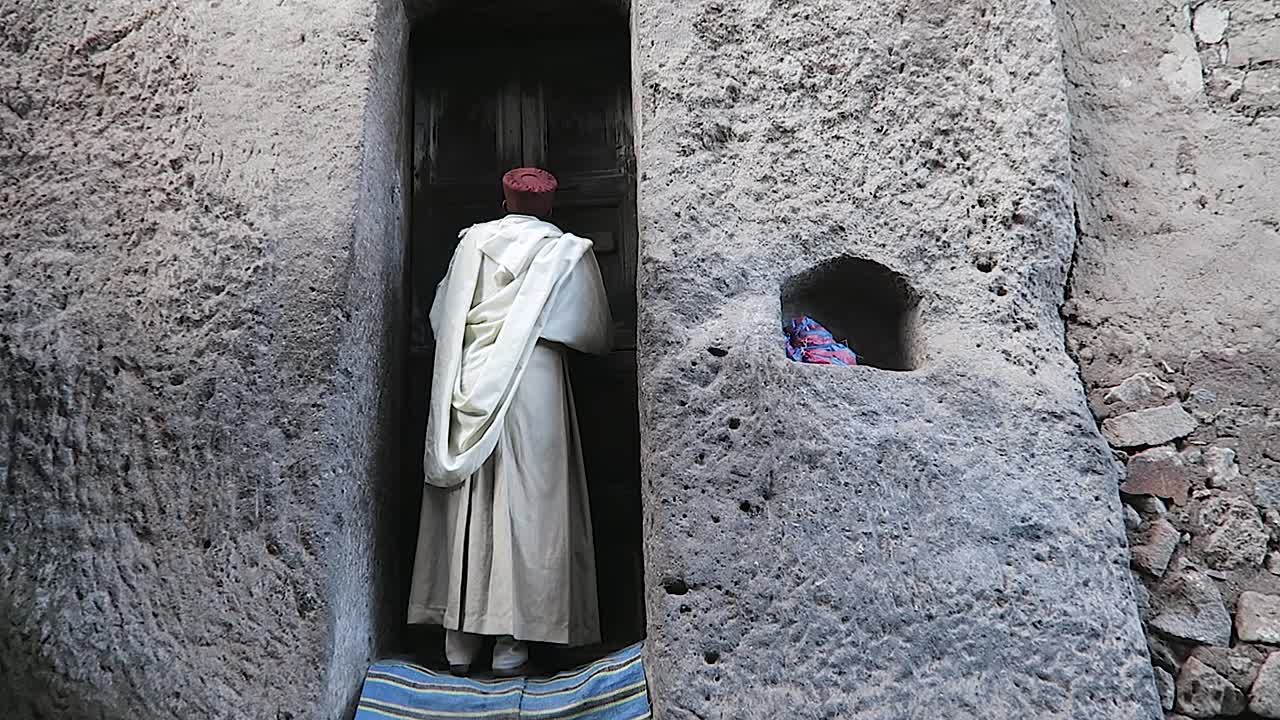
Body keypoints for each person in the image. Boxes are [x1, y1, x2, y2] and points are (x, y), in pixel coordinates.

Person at [407, 168, 612, 677]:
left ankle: (458, 641)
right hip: (535, 380)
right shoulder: (565, 253)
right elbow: (593, 332)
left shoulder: (471, 245)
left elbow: (440, 317)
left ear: (504, 202)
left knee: (470, 497)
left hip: (472, 370)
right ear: (550, 208)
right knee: (529, 500)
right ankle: (511, 643)